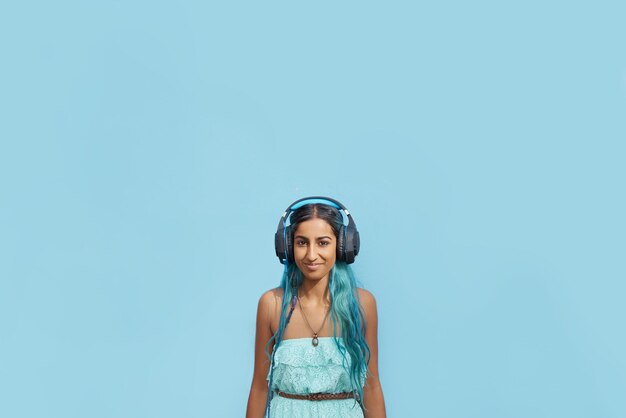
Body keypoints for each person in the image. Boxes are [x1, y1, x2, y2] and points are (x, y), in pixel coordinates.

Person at [246, 197, 387, 418]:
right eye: (302, 242)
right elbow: (259, 387)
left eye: (323, 242)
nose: (311, 255)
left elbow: (371, 386)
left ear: (343, 246)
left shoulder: (362, 304)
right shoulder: (271, 304)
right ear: (288, 247)